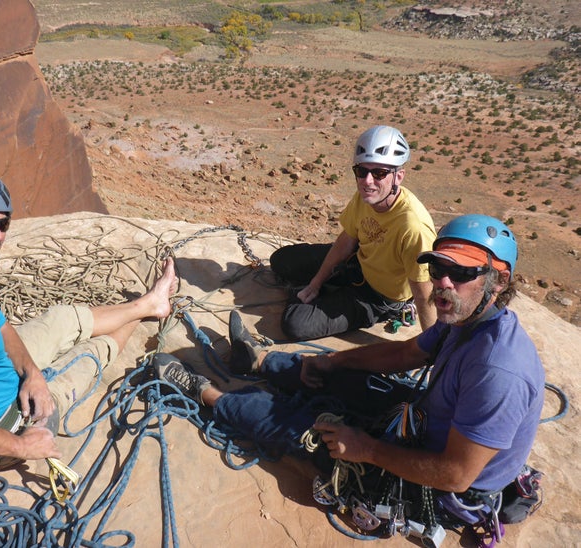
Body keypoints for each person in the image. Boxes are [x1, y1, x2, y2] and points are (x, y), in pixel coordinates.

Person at [154, 214, 544, 523]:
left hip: (441, 486)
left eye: (460, 274)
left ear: (498, 281)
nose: (442, 282)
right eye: (437, 268)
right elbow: (404, 355)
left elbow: (455, 475)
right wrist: (331, 361)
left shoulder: (498, 371)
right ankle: (258, 361)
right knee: (347, 374)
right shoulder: (463, 319)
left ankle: (206, 393)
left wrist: (366, 449)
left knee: (302, 430)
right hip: (427, 423)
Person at [0, 166, 177, 465]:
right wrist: (23, 447)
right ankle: (139, 316)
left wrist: (32, 374)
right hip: (4, 428)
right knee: (91, 353)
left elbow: (1, 327)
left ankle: (150, 304)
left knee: (61, 319)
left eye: (2, 224)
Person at [270, 125, 437, 340]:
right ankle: (326, 292)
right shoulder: (366, 197)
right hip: (356, 265)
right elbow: (345, 241)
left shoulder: (413, 228)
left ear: (398, 176)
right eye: (362, 171)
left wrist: (434, 349)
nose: (367, 181)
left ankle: (332, 299)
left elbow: (424, 292)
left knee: (295, 325)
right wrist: (315, 284)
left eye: (379, 173)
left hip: (377, 297)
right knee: (281, 260)